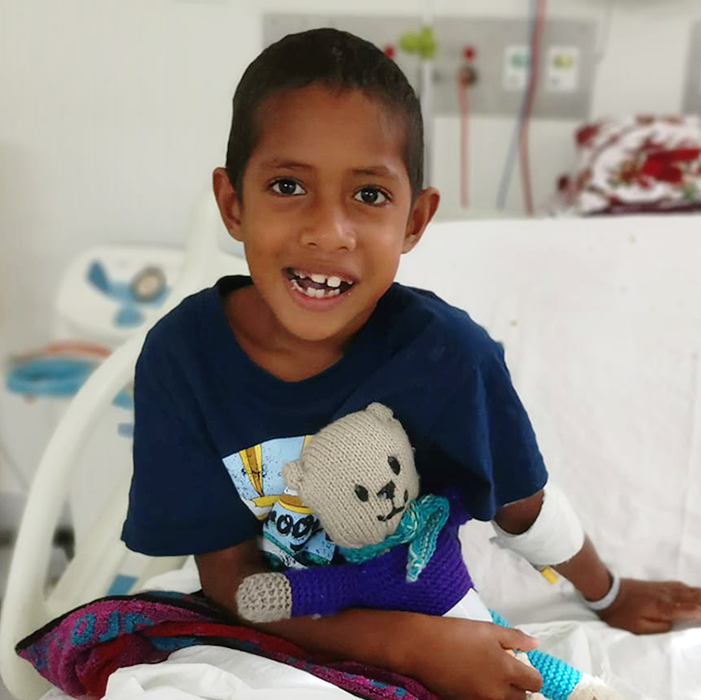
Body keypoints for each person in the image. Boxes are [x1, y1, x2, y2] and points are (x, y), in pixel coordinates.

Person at [122, 28, 701, 700]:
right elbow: (230, 579)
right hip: (283, 626)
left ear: (415, 221)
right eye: (287, 184)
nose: (327, 231)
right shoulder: (183, 359)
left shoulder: (447, 356)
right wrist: (409, 646)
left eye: (368, 196)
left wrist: (607, 593)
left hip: (427, 601)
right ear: (232, 205)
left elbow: (521, 505)